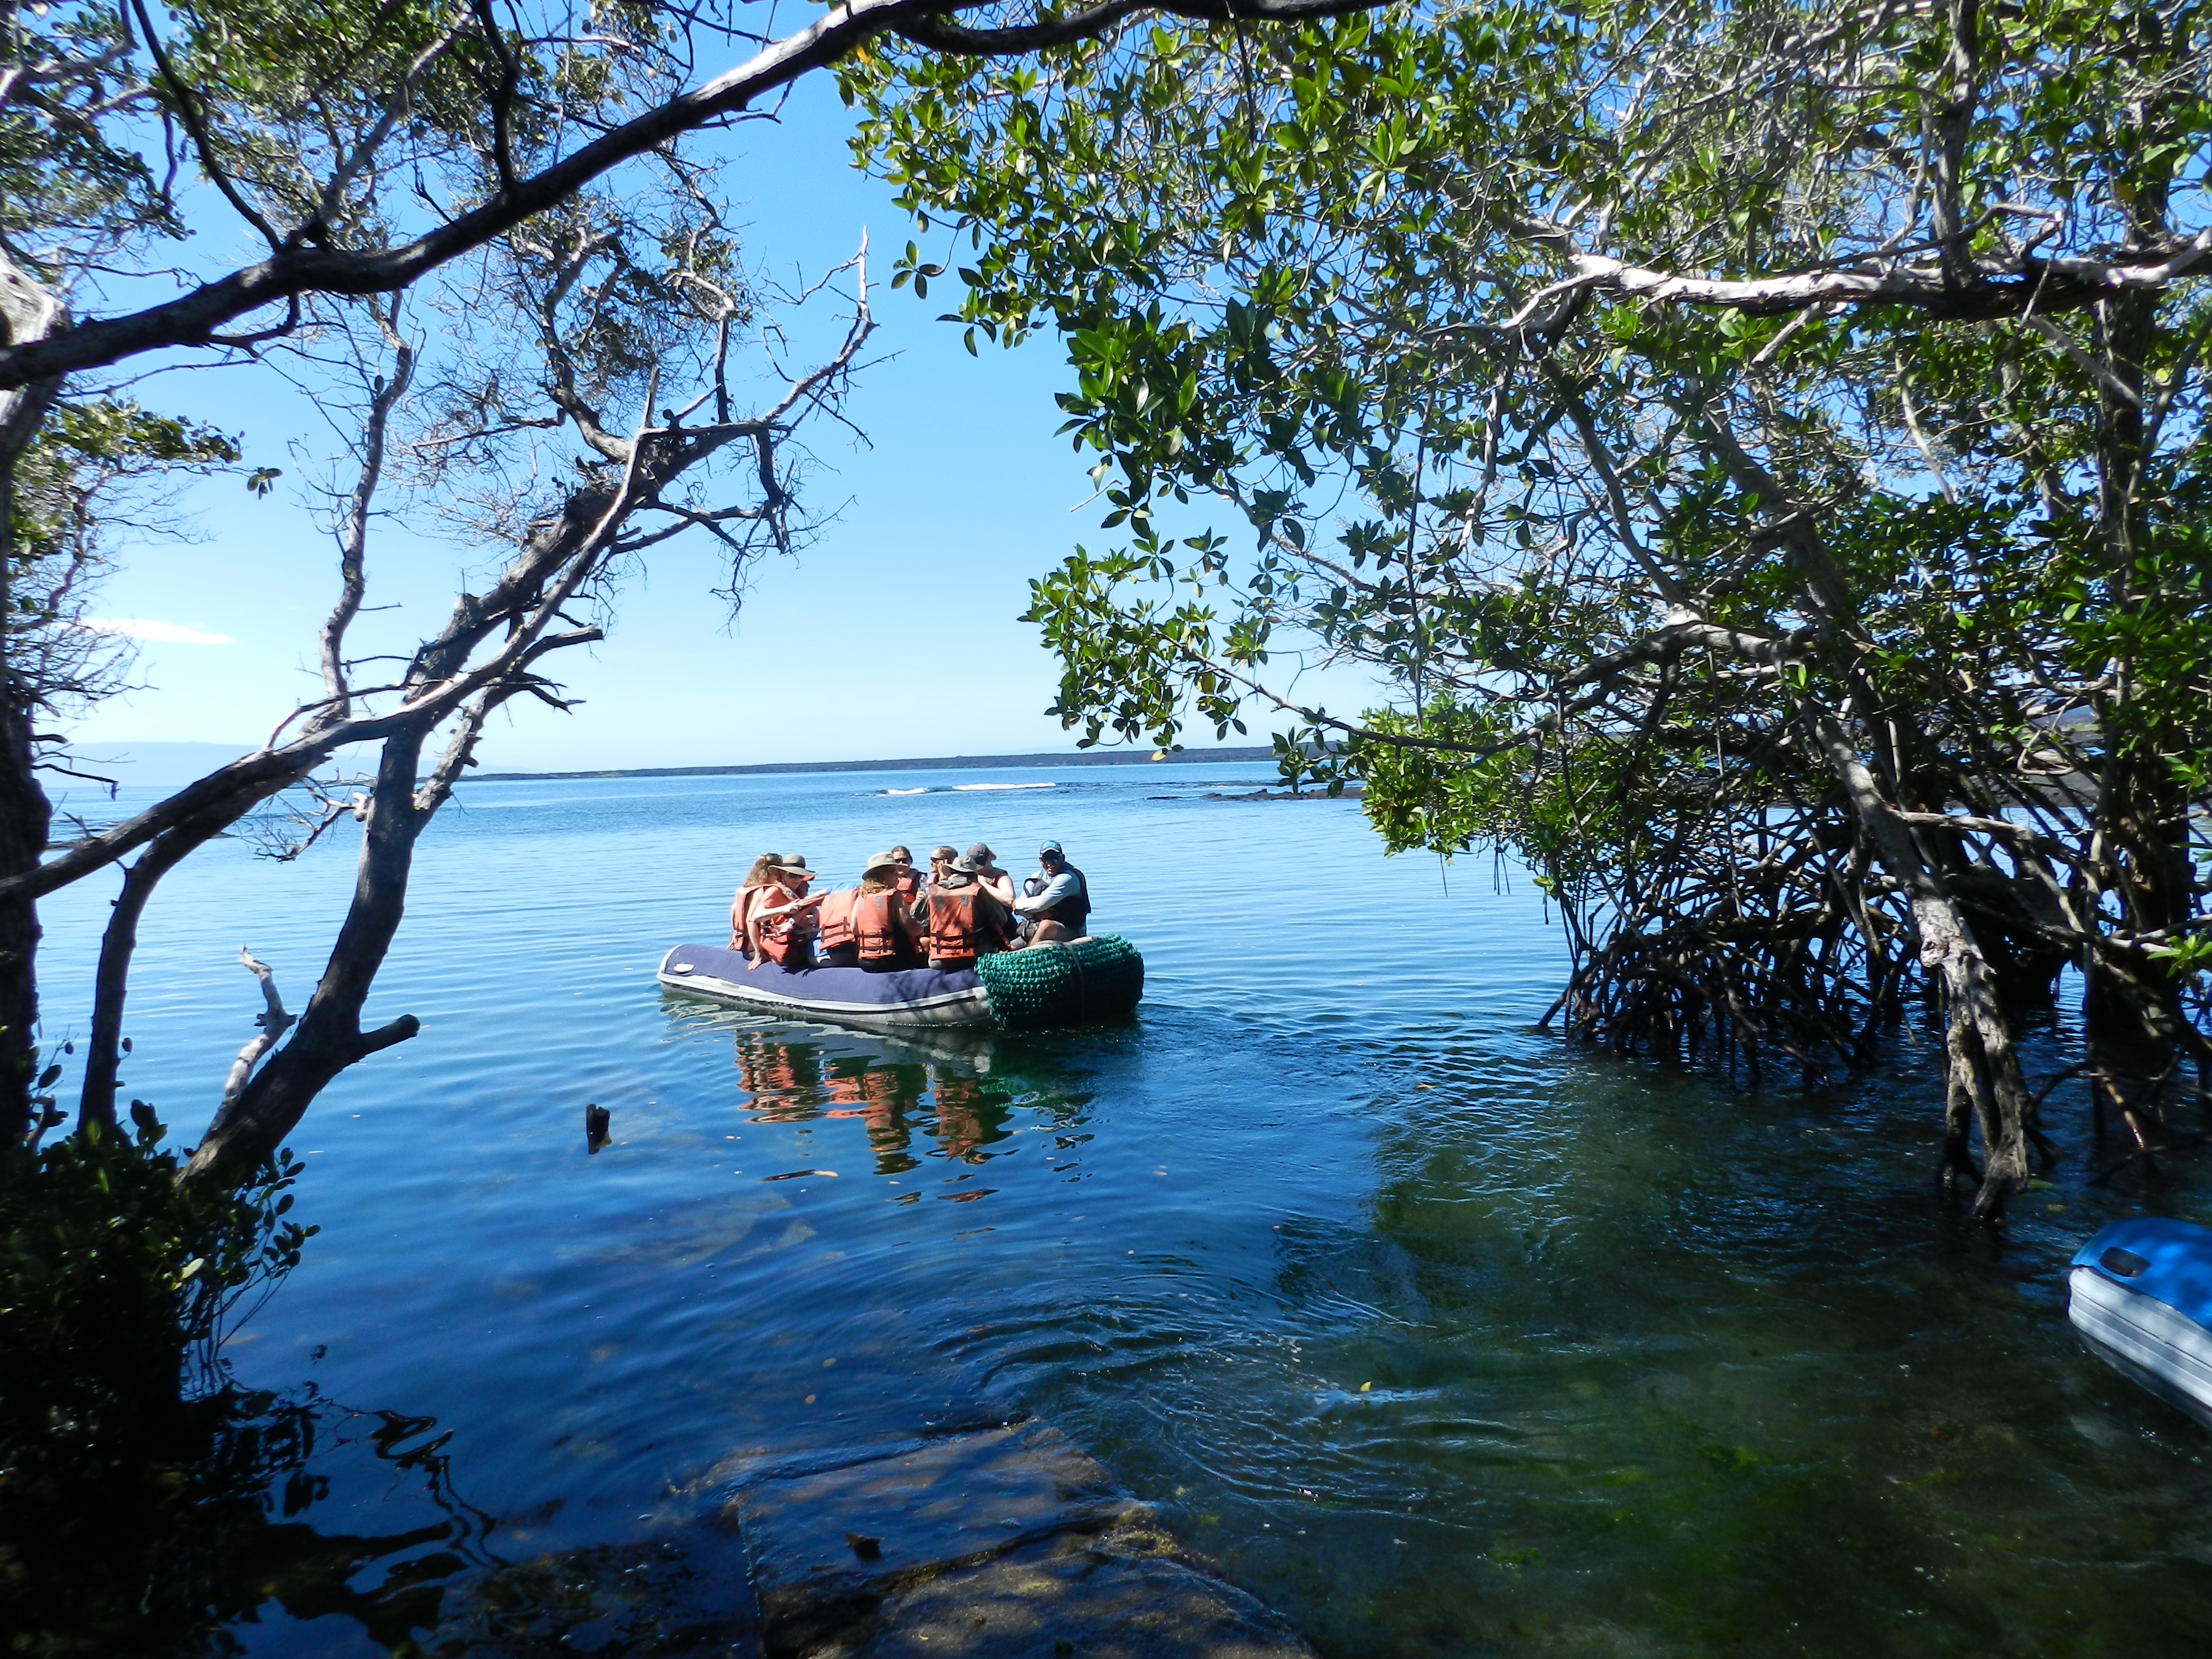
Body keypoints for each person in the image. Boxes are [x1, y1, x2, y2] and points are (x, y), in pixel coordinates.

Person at [920, 853, 1013, 970]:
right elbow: (1001, 919)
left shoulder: (934, 890)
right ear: (974, 875)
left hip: (938, 960)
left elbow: (916, 914)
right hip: (974, 956)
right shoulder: (977, 891)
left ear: (951, 872)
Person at [850, 850, 926, 971]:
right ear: (878, 875)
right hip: (891, 960)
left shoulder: (861, 897)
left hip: (865, 962)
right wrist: (924, 928)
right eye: (892, 871)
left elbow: (854, 929)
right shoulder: (894, 896)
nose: (897, 875)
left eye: (897, 871)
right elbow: (913, 929)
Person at [746, 856, 825, 969]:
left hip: (799, 942)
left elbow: (811, 908)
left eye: (800, 876)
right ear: (782, 874)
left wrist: (815, 915)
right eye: (792, 875)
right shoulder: (775, 891)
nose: (797, 880)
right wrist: (784, 909)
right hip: (782, 947)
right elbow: (755, 917)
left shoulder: (798, 890)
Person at [1014, 840, 1089, 946]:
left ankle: (1027, 958)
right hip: (1037, 927)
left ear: (1062, 858)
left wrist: (1016, 904)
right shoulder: (1036, 877)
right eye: (1046, 858)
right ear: (1040, 861)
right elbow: (1020, 910)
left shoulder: (1068, 878)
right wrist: (1022, 907)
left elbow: (1040, 904)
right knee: (1012, 945)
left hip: (1071, 931)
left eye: (1055, 858)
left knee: (1046, 926)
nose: (1050, 863)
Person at [728, 853, 782, 954]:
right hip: (753, 946)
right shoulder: (763, 892)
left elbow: (734, 909)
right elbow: (751, 920)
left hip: (740, 942)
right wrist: (758, 952)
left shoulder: (744, 889)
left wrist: (735, 936)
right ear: (774, 871)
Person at [965, 842, 1016, 909]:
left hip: (1000, 917)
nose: (978, 870)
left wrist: (985, 884)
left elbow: (1010, 900)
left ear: (989, 858)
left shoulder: (1001, 878)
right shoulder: (969, 875)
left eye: (981, 866)